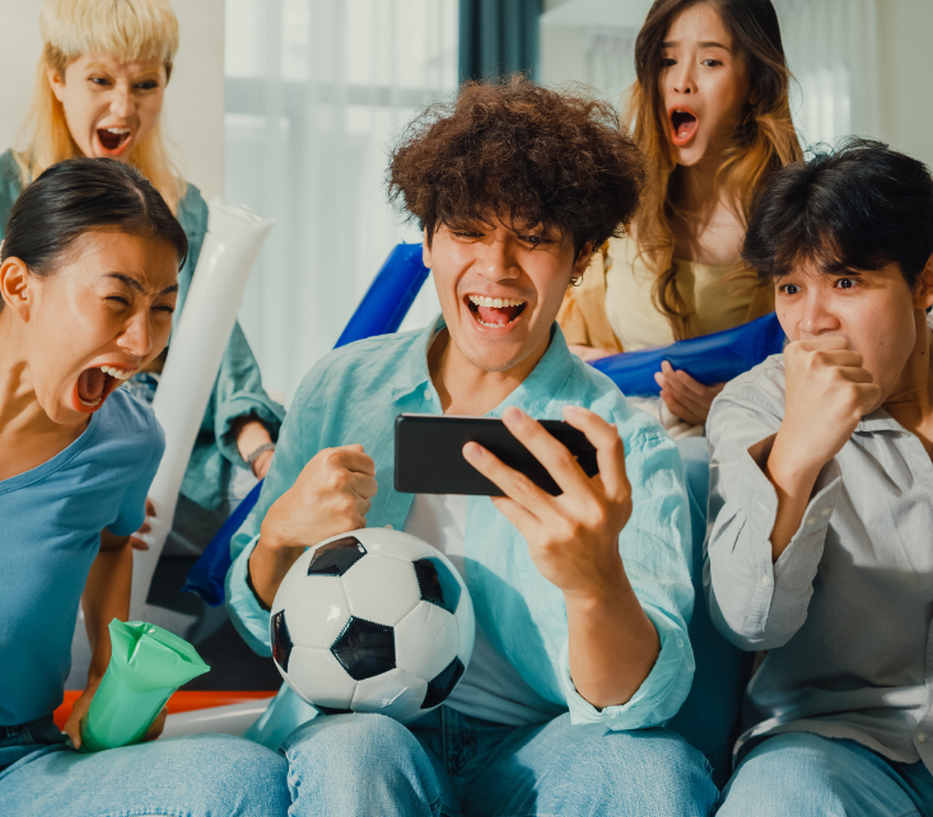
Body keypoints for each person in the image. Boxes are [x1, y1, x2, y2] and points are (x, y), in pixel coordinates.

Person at [225, 77, 717, 816]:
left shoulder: (618, 438)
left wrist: (595, 582)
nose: (496, 267)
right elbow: (260, 617)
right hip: (365, 731)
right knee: (355, 753)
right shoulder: (338, 388)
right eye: (467, 230)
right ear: (426, 241)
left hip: (535, 742)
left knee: (653, 771)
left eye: (534, 237)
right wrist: (276, 538)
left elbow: (635, 702)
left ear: (580, 259)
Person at [0, 157, 289, 815]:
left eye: (162, 310)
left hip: (20, 761)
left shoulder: (126, 441)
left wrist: (108, 663)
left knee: (243, 781)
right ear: (19, 286)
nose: (140, 343)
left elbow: (111, 542)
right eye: (116, 301)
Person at [0, 0, 283, 554]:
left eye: (146, 85)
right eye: (101, 80)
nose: (123, 107)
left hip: (167, 436)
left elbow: (217, 339)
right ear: (58, 79)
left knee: (271, 505)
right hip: (45, 434)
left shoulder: (183, 209)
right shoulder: (8, 194)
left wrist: (259, 445)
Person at [705, 139, 933, 816]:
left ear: (923, 283)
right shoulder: (751, 407)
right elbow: (748, 619)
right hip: (838, 745)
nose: (811, 321)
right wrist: (796, 456)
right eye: (788, 287)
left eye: (844, 282)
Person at [558, 0, 801, 436]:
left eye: (710, 61)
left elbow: (829, 362)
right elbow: (559, 341)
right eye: (667, 61)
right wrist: (578, 362)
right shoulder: (610, 207)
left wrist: (733, 406)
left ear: (755, 84)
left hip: (737, 454)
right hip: (621, 442)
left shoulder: (794, 220)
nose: (681, 83)